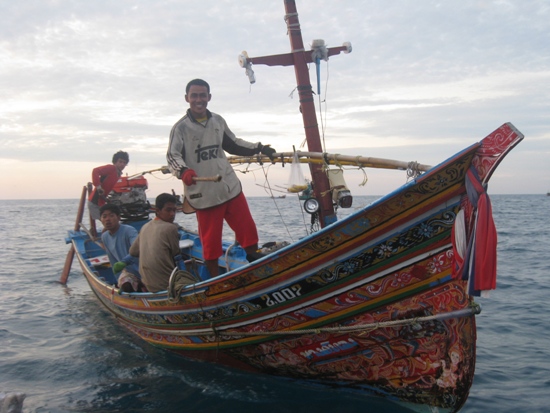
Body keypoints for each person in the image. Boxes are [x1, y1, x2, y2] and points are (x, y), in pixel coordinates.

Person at [166, 78, 276, 277]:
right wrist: (184, 172)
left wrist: (260, 148)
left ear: (209, 97)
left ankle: (258, 270)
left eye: (202, 95)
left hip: (229, 187)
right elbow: (172, 156)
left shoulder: (218, 120)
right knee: (210, 243)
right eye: (194, 96)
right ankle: (216, 279)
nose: (199, 99)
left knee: (248, 232)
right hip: (204, 195)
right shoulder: (180, 128)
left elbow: (233, 144)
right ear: (187, 98)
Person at [128, 193, 184, 293]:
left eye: (174, 210)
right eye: (168, 210)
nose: (172, 214)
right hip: (166, 285)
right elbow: (177, 257)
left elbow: (133, 252)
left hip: (147, 284)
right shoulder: (171, 228)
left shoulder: (145, 226)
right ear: (157, 211)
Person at [99, 203, 143, 292]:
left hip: (143, 269)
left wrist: (124, 262)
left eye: (111, 216)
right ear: (101, 219)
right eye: (104, 216)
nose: (108, 219)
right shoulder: (105, 237)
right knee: (125, 285)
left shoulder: (129, 231)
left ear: (118, 217)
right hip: (128, 273)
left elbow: (137, 248)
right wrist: (117, 280)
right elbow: (113, 260)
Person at [88, 150, 129, 223]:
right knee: (108, 223)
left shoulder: (118, 174)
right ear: (115, 162)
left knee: (111, 222)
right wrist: (98, 187)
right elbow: (95, 171)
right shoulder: (111, 168)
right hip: (94, 202)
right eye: (120, 162)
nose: (122, 164)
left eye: (124, 162)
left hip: (101, 202)